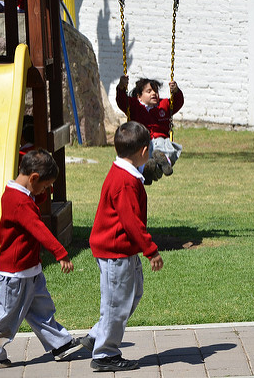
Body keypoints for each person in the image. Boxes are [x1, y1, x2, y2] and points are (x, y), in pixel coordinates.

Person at [0, 149, 83, 369]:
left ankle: (60, 344)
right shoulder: (19, 202)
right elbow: (37, 227)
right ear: (33, 178)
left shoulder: (21, 194)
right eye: (45, 186)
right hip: (16, 274)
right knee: (6, 314)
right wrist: (60, 252)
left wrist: (41, 190)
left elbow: (34, 197)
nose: (45, 192)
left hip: (30, 270)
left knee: (43, 310)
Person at [80, 122, 164, 372]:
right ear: (144, 151)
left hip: (123, 251)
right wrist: (151, 250)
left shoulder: (125, 173)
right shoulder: (125, 181)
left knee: (131, 295)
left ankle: (98, 335)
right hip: (115, 252)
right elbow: (131, 222)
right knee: (116, 303)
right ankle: (105, 354)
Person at [116, 75, 184, 183]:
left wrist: (176, 91)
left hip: (161, 139)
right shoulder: (134, 106)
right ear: (139, 96)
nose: (154, 93)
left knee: (166, 149)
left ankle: (165, 162)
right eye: (149, 91)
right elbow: (121, 101)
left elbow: (178, 102)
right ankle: (148, 170)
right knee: (142, 155)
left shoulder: (164, 104)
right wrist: (121, 87)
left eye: (156, 91)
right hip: (143, 141)